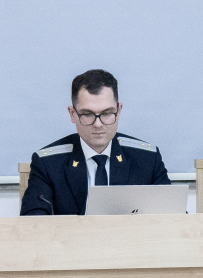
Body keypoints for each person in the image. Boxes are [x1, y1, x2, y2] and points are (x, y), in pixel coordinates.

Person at [20, 69, 171, 216]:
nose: (98, 124)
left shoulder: (148, 159)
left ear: (119, 111)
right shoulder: (48, 164)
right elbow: (32, 223)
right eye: (87, 114)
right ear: (72, 114)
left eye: (106, 113)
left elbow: (175, 217)